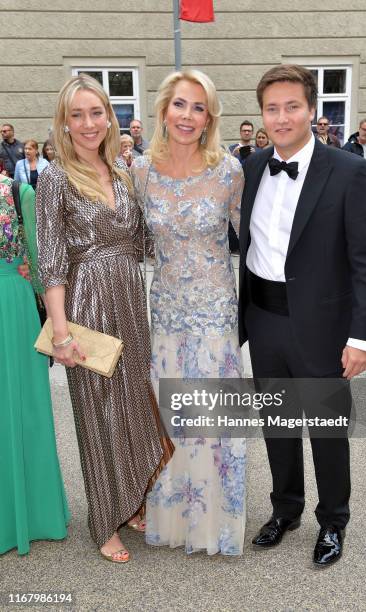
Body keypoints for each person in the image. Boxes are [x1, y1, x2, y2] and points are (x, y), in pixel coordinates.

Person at [238, 64, 366, 566]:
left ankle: (333, 522)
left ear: (312, 111)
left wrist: (362, 337)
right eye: (272, 108)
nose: (282, 118)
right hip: (263, 317)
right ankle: (286, 509)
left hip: (323, 326)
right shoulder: (252, 166)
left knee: (325, 427)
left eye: (292, 107)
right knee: (276, 422)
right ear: (262, 114)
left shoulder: (349, 171)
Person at [36, 74, 171, 563]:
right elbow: (50, 258)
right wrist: (60, 331)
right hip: (87, 301)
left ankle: (131, 498)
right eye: (77, 115)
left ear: (109, 117)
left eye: (96, 113)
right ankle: (103, 522)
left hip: (130, 300)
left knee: (134, 406)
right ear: (64, 123)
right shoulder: (54, 176)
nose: (89, 123)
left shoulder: (120, 169)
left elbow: (144, 242)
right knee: (98, 414)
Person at [132, 69, 246, 556]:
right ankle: (172, 513)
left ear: (209, 117)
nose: (188, 115)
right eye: (180, 104)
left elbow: (262, 241)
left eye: (199, 107)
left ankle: (217, 521)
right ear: (163, 110)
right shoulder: (139, 171)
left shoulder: (229, 172)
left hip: (216, 312)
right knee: (172, 414)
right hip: (168, 313)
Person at [0, 175, 70, 556]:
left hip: (11, 309)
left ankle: (36, 513)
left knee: (25, 410)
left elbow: (43, 262)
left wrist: (61, 327)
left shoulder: (16, 192)